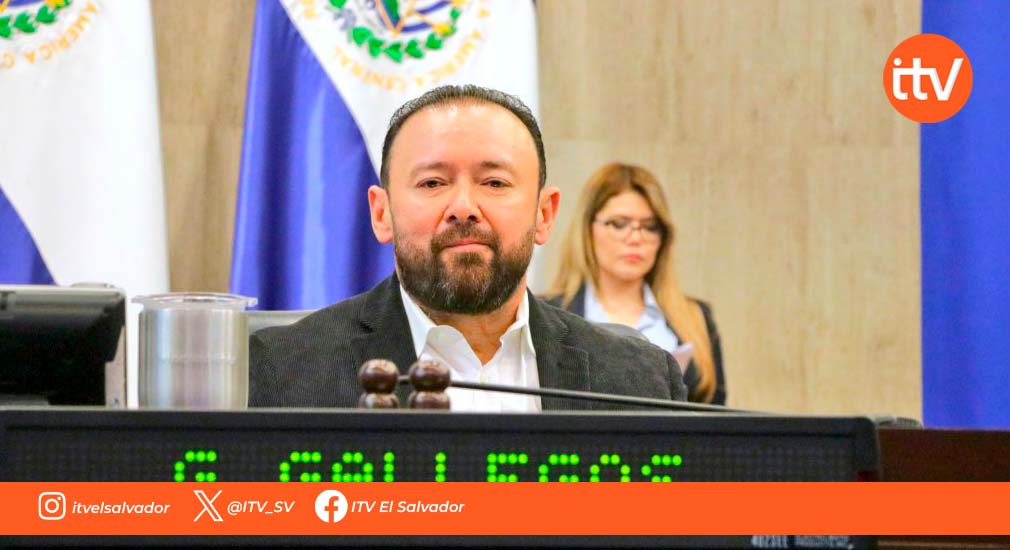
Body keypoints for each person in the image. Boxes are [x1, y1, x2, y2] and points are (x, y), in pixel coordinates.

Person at [249, 85, 687, 411]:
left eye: (494, 182)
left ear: (544, 214)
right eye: (432, 183)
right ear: (382, 213)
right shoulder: (280, 371)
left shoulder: (640, 382)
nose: (463, 208)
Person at [546, 163, 726, 404]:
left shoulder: (696, 317)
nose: (635, 238)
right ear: (588, 229)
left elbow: (717, 416)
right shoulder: (547, 314)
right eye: (619, 224)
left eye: (650, 227)